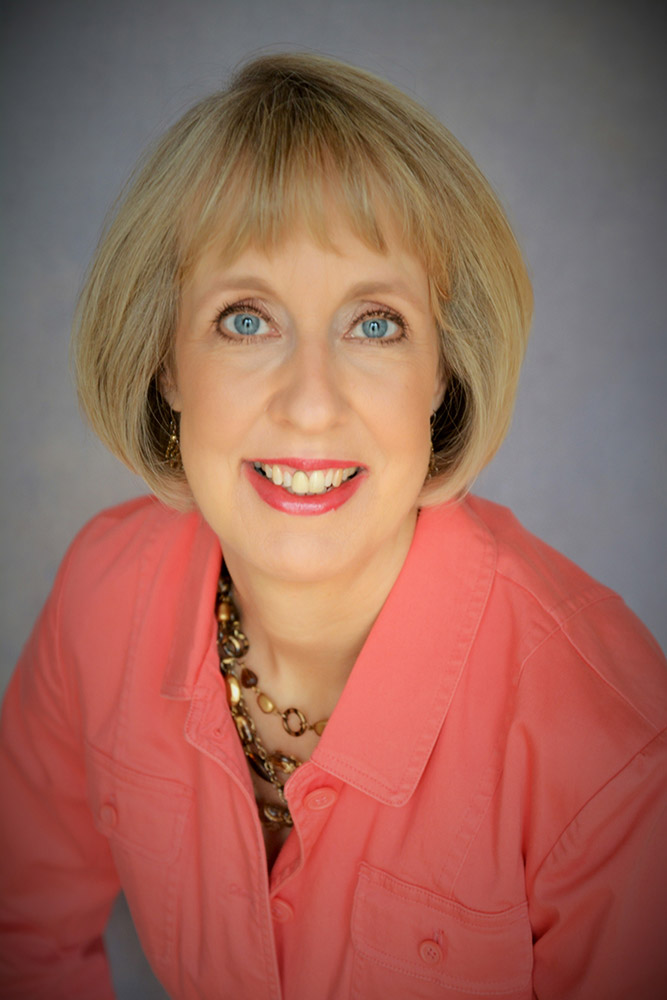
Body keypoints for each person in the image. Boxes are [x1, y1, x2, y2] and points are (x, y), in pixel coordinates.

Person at [0, 52, 665, 1000]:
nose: (310, 405)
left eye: (375, 323)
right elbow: (18, 932)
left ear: (442, 372)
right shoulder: (103, 594)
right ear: (165, 362)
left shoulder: (605, 741)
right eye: (245, 319)